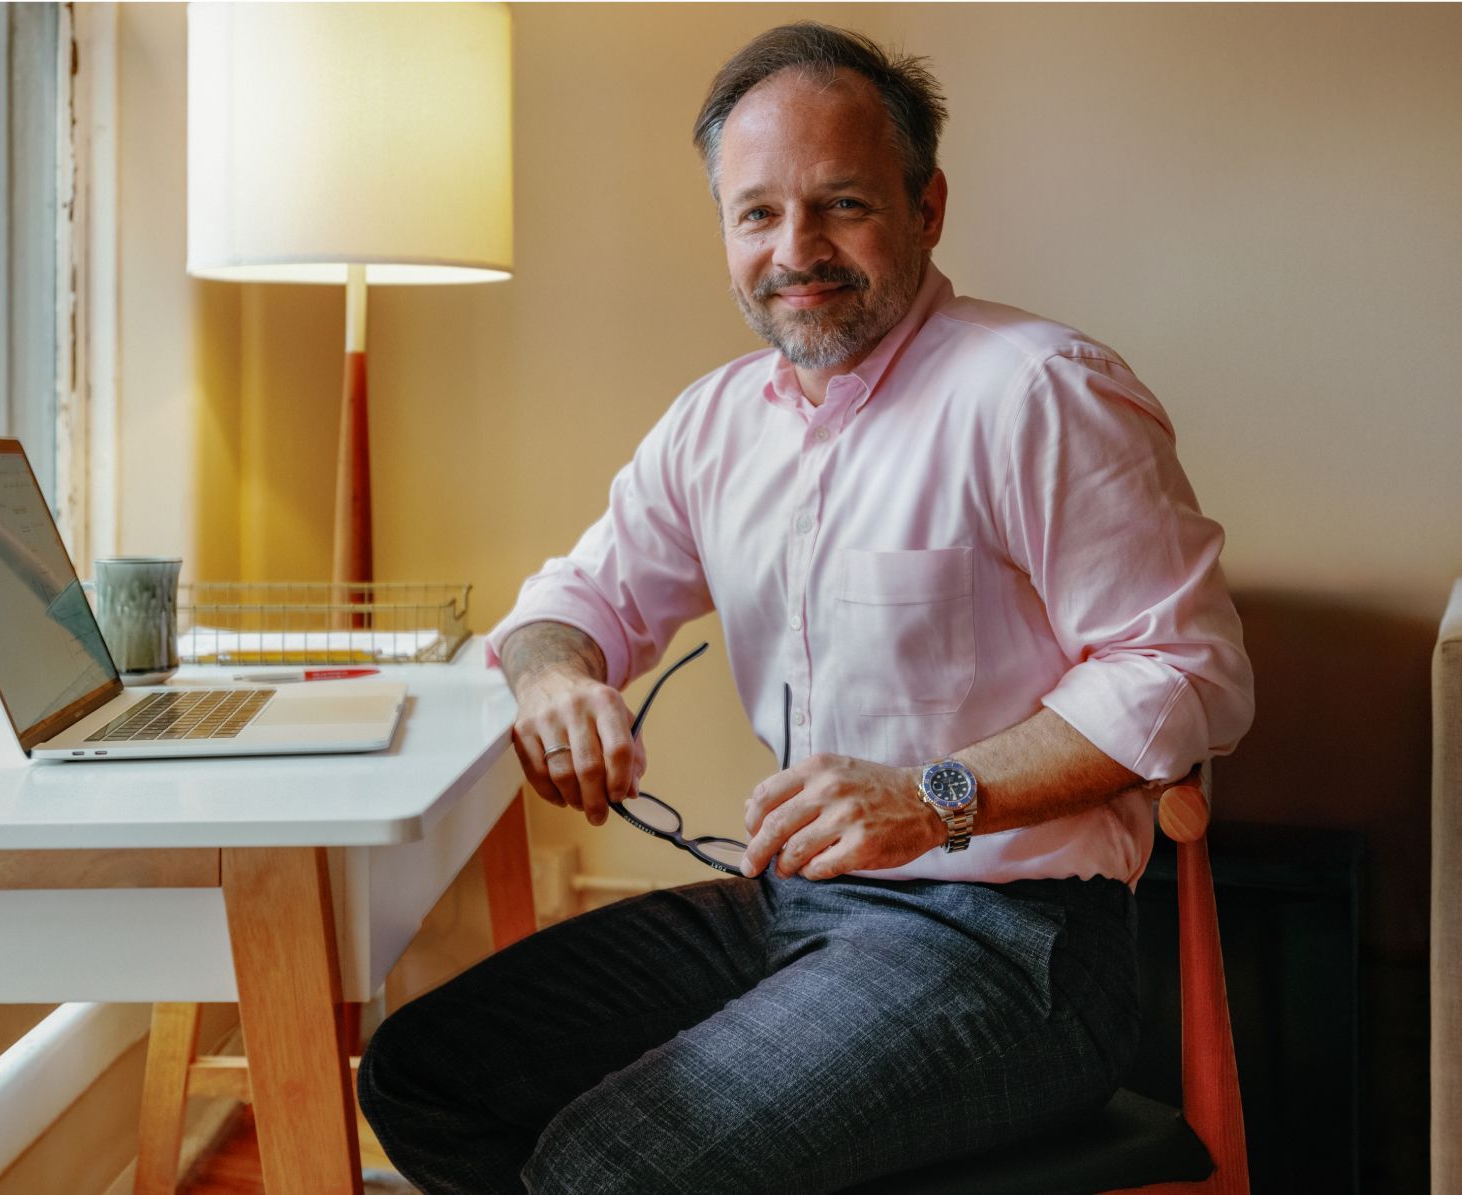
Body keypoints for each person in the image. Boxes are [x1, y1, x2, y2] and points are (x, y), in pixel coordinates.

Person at [358, 21, 1254, 1195]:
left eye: (842, 205)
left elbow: (1188, 674)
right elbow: (570, 598)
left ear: (927, 208)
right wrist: (557, 678)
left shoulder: (1039, 393)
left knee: (605, 1168)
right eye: (758, 214)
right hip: (793, 910)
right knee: (423, 1071)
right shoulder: (715, 422)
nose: (798, 250)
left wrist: (932, 797)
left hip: (1015, 945)